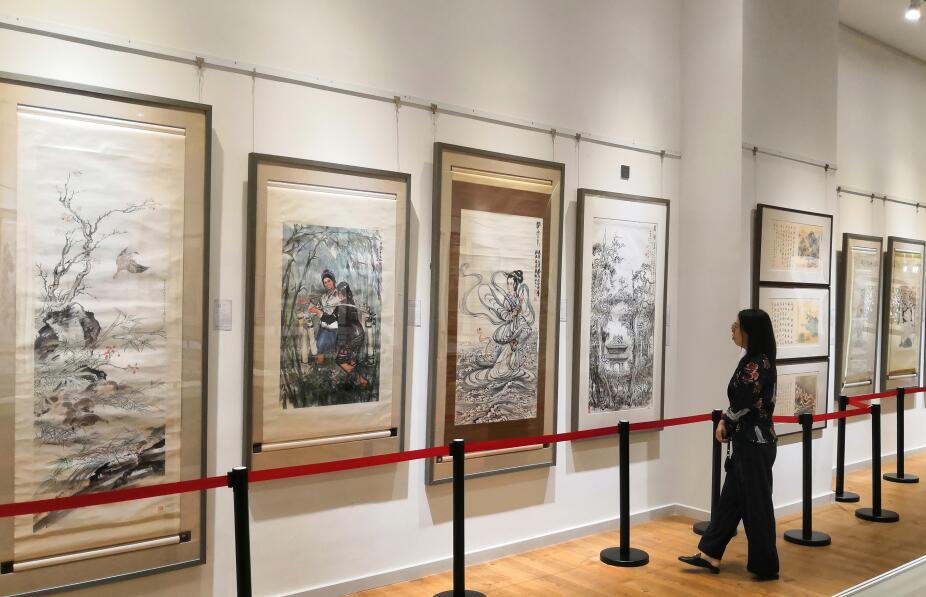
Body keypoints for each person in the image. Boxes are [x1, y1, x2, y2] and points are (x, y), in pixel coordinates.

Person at [679, 308, 780, 581]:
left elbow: (744, 401)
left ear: (749, 331)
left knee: (757, 505)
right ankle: (710, 554)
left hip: (754, 442)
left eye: (736, 326)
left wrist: (725, 420)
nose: (732, 331)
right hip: (750, 441)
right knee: (730, 500)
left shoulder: (757, 364)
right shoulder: (756, 360)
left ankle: (766, 565)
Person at [333, 281, 369, 388]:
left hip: (352, 336)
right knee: (352, 359)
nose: (336, 294)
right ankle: (354, 381)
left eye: (338, 292)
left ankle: (361, 380)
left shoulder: (342, 305)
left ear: (341, 293)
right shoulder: (350, 301)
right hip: (359, 334)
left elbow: (335, 321)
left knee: (340, 360)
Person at [307, 269, 340, 364]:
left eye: (329, 281)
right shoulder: (324, 296)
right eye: (325, 282)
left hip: (332, 330)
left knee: (320, 350)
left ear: (333, 280)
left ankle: (323, 367)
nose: (327, 284)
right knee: (315, 349)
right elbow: (316, 309)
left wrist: (317, 311)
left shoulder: (339, 295)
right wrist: (309, 305)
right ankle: (318, 366)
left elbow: (329, 317)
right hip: (322, 328)